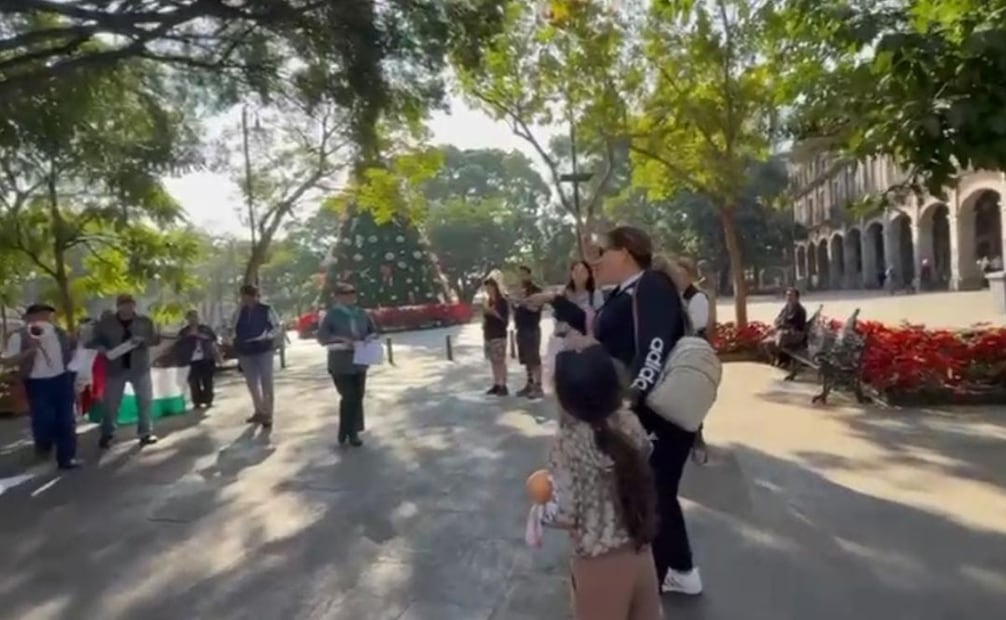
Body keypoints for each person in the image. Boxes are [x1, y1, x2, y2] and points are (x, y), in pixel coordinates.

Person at [528, 226, 702, 596]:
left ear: (624, 252)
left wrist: (628, 404)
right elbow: (606, 334)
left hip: (656, 415)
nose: (595, 261)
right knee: (656, 491)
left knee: (655, 491)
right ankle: (679, 571)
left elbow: (653, 350)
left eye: (601, 252)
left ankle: (663, 575)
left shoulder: (651, 286)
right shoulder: (627, 292)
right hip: (642, 410)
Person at [546, 344, 661, 620]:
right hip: (641, 553)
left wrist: (541, 508)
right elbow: (644, 454)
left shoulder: (566, 445)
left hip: (598, 562)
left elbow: (566, 513)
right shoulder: (629, 423)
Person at [1, 304, 79, 469]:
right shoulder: (20, 336)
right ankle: (44, 444)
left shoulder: (60, 333)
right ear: (29, 318)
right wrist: (29, 351)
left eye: (48, 316)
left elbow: (73, 353)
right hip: (37, 383)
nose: (45, 319)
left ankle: (66, 458)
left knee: (66, 421)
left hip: (62, 380)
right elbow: (7, 361)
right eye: (41, 315)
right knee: (44, 420)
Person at [91, 294, 160, 448]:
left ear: (134, 305)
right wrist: (100, 347)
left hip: (139, 367)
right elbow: (94, 340)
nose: (127, 307)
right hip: (115, 368)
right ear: (118, 306)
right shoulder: (106, 323)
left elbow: (155, 339)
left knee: (145, 401)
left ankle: (145, 433)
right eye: (123, 304)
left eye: (130, 304)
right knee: (111, 404)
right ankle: (107, 433)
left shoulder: (144, 321)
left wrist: (143, 341)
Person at [317, 282, 378, 447]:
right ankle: (349, 432)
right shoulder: (331, 315)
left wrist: (368, 338)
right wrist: (342, 340)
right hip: (340, 361)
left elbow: (373, 331)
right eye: (345, 294)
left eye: (352, 294)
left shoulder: (361, 313)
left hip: (360, 359)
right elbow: (322, 337)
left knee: (358, 395)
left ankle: (351, 430)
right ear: (337, 297)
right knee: (348, 395)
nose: (349, 297)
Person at [668, 257, 714, 465]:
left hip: (692, 353)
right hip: (677, 352)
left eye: (681, 274)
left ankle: (697, 440)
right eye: (675, 274)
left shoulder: (697, 298)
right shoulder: (674, 296)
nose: (678, 278)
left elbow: (696, 326)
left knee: (691, 398)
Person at [230, 284, 281, 429]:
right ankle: (259, 410)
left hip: (263, 348)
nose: (246, 300)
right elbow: (232, 326)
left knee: (266, 382)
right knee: (252, 384)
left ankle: (268, 414)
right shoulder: (239, 311)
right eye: (244, 297)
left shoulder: (266, 309)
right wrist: (231, 338)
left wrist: (267, 336)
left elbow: (277, 326)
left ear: (255, 296)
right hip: (245, 349)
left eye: (249, 296)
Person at [173, 309, 221, 409]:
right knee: (193, 382)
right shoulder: (184, 331)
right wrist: (188, 337)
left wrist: (200, 336)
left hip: (206, 358)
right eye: (190, 317)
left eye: (194, 317)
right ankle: (197, 401)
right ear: (187, 319)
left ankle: (208, 400)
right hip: (190, 360)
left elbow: (213, 339)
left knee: (207, 381)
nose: (193, 319)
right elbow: (179, 344)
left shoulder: (205, 329)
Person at [513, 265, 544, 399]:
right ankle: (529, 384)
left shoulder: (536, 291)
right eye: (519, 274)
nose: (521, 277)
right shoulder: (519, 290)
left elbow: (535, 309)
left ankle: (538, 386)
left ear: (529, 275)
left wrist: (522, 301)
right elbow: (516, 308)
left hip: (532, 329)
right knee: (526, 359)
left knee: (535, 359)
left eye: (524, 274)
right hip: (521, 328)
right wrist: (514, 302)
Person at [758, 288, 808, 365]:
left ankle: (783, 359)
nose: (788, 297)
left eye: (791, 295)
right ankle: (774, 359)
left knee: (781, 337)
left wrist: (783, 325)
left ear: (797, 298)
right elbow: (778, 319)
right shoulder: (786, 308)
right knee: (765, 342)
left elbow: (798, 326)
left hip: (796, 334)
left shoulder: (800, 310)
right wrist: (777, 325)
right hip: (783, 333)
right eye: (787, 295)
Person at [482, 277, 510, 396]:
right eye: (486, 288)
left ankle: (503, 385)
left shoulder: (502, 301)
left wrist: (494, 313)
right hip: (489, 334)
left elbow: (505, 320)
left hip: (499, 334)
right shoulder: (489, 301)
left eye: (490, 287)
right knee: (493, 361)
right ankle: (496, 383)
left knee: (500, 361)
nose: (488, 290)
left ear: (495, 287)